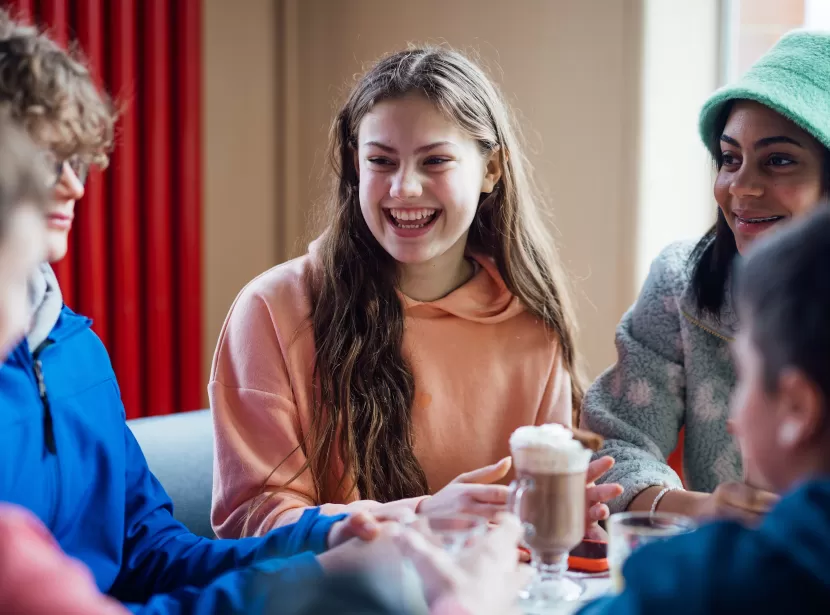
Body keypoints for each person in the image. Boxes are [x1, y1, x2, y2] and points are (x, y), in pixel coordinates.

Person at [0, 9, 396, 614]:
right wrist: (316, 590)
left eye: (74, 159)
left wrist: (325, 538)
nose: (75, 187)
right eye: (43, 163)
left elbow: (150, 552)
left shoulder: (73, 348)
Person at [210, 45, 622, 539]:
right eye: (381, 160)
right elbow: (252, 523)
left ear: (492, 170)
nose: (404, 188)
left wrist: (558, 522)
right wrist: (422, 522)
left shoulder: (531, 326)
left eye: (436, 161)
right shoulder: (273, 309)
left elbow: (526, 530)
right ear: (355, 164)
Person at [581, 30, 830, 522]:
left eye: (779, 161)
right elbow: (610, 449)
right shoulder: (681, 283)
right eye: (729, 158)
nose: (740, 185)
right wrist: (706, 510)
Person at [578, 206, 830, 615]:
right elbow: (617, 443)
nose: (732, 417)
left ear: (798, 409)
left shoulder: (709, 578)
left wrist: (463, 598)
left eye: (744, 377)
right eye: (729, 158)